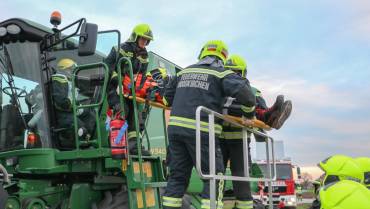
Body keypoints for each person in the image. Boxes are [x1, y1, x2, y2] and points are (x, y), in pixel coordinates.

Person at [162, 40, 256, 209]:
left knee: (177, 177)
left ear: (203, 53)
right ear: (222, 57)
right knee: (214, 176)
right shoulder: (220, 73)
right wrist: (249, 114)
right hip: (201, 131)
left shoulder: (184, 72)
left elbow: (166, 98)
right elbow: (248, 97)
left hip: (175, 130)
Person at [220, 55, 292, 209]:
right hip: (239, 138)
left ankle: (269, 114)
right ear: (243, 72)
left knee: (217, 176)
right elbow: (256, 119)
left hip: (218, 136)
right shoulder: (251, 89)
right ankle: (269, 114)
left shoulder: (218, 86)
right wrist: (262, 129)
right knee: (241, 177)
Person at [105, 23, 153, 155]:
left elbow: (140, 77)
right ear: (135, 37)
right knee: (122, 109)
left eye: (147, 40)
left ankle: (134, 146)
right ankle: (116, 142)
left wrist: (140, 90)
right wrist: (117, 82)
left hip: (129, 90)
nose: (145, 42)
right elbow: (107, 66)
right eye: (143, 38)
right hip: (113, 88)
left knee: (136, 114)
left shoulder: (144, 56)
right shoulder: (121, 49)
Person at [51, 58, 95, 147]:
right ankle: (81, 144)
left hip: (69, 111)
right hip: (63, 115)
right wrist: (74, 106)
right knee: (81, 127)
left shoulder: (68, 81)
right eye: (71, 70)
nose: (73, 73)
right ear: (65, 70)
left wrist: (78, 106)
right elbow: (61, 101)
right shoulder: (60, 79)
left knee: (90, 113)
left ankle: (89, 137)